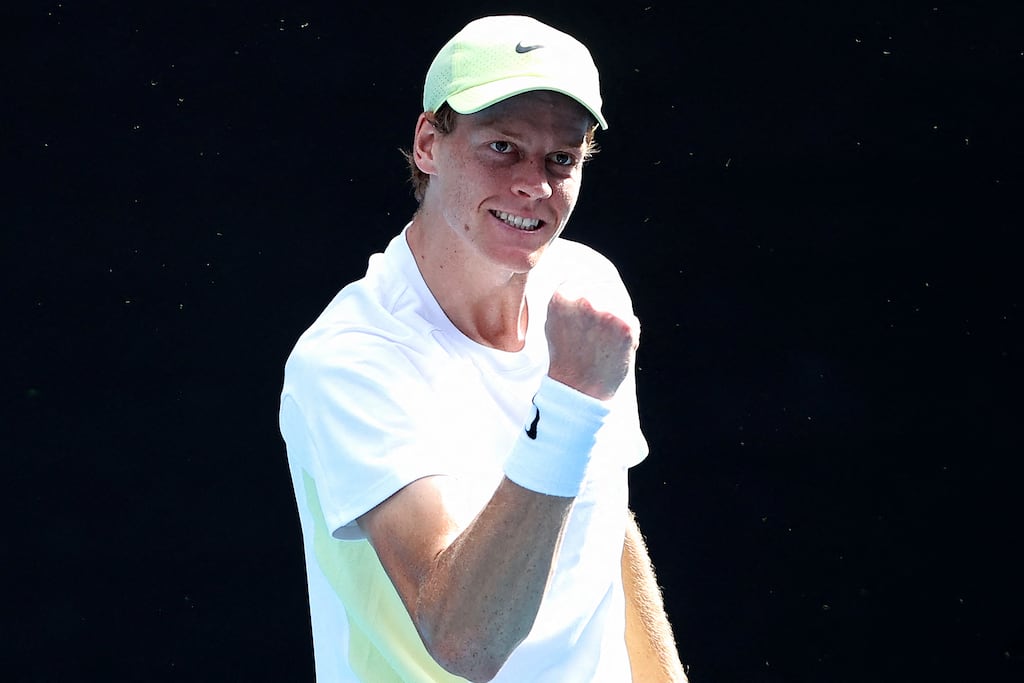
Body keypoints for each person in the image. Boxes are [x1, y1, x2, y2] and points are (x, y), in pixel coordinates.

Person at [279, 15, 687, 682]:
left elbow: (602, 524)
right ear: (427, 144)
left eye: (562, 158)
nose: (534, 183)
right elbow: (467, 640)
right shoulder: (352, 359)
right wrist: (568, 401)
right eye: (503, 146)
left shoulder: (587, 289)